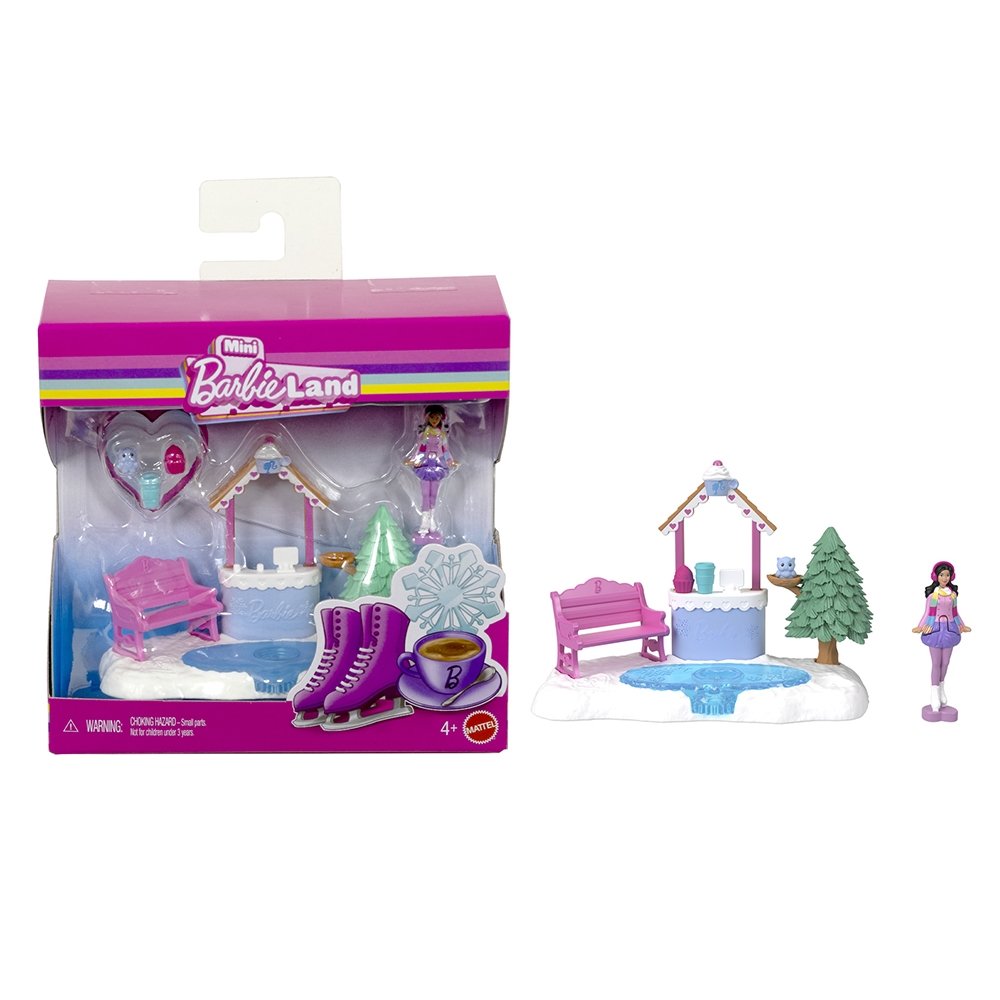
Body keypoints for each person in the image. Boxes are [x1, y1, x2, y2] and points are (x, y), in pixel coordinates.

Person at [912, 560, 971, 722]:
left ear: (951, 577)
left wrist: (962, 625)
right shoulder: (933, 596)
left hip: (950, 629)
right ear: (936, 576)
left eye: (947, 575)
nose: (945, 578)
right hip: (935, 629)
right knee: (936, 663)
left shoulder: (953, 595)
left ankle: (941, 688)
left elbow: (956, 613)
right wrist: (920, 626)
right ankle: (934, 693)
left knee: (946, 663)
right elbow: (927, 613)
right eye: (942, 575)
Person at [404, 405, 459, 540]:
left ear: (441, 419)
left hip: (438, 466)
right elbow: (421, 450)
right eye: (432, 417)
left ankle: (432, 520)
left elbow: (445, 451)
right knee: (425, 495)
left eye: (437, 418)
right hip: (425, 465)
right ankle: (424, 523)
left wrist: (450, 461)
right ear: (427, 418)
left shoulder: (442, 435)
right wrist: (415, 460)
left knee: (434, 495)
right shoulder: (424, 434)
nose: (434, 420)